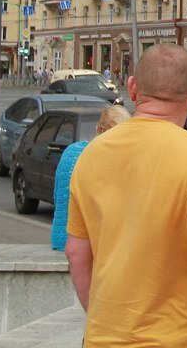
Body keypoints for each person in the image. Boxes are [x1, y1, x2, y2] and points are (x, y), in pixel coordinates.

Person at [64, 44, 187, 347]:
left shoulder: (91, 154)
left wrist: (104, 321)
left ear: (133, 88)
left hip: (103, 338)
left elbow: (76, 253)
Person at [51, 105, 130, 251]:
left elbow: (57, 197)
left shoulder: (71, 150)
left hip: (60, 237)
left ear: (98, 128)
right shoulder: (109, 158)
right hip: (88, 245)